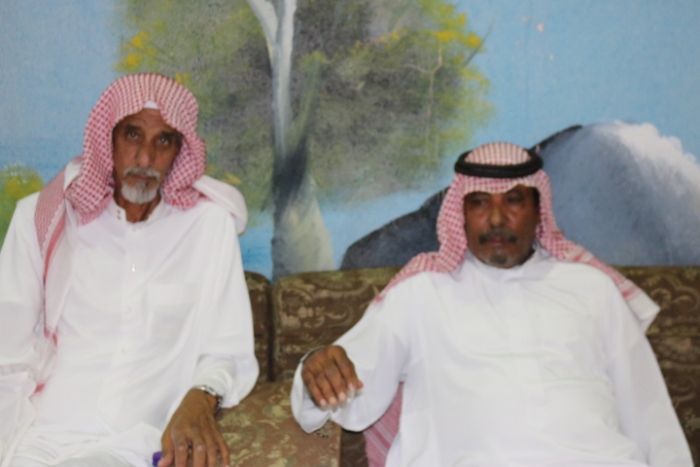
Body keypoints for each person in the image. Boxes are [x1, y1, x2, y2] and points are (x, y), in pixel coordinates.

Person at [291, 142, 693, 466]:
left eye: (513, 201)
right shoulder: (419, 293)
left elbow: (649, 413)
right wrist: (317, 374)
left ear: (538, 209)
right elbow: (352, 391)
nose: (497, 219)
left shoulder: (592, 288)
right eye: (480, 202)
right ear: (461, 213)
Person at [0, 73, 258, 467]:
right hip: (39, 437)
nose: (145, 159)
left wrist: (200, 397)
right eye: (133, 135)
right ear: (108, 139)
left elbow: (227, 351)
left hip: (127, 445)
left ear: (180, 150)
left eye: (163, 141)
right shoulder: (45, 220)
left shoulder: (207, 227)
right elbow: (7, 352)